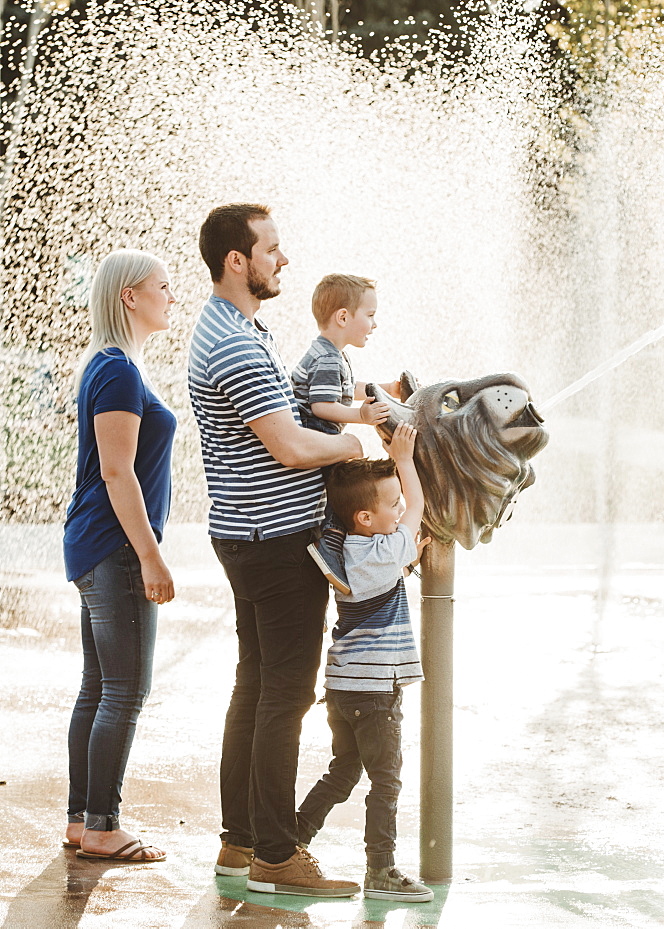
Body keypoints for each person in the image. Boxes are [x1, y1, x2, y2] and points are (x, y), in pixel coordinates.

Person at [188, 203, 363, 897]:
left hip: (248, 535)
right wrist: (355, 445)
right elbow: (289, 445)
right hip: (276, 544)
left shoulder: (235, 327)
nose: (284, 258)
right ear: (239, 259)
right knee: (283, 696)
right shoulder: (233, 341)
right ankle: (277, 853)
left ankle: (240, 840)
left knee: (256, 685)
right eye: (273, 248)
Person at [63, 249, 177, 862]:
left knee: (99, 687)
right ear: (130, 296)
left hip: (97, 545)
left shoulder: (114, 366)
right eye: (162, 287)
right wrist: (152, 557)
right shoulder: (118, 371)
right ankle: (104, 826)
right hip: (115, 547)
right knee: (125, 689)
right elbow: (116, 471)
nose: (171, 296)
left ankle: (84, 822)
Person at [297, 421, 433, 903]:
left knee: (344, 770)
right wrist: (403, 461)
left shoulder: (354, 548)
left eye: (396, 501)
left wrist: (401, 559)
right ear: (364, 518)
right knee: (387, 779)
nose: (400, 510)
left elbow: (396, 537)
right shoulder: (384, 548)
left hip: (344, 685)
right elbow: (416, 508)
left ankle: (293, 838)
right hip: (376, 689)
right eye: (388, 506)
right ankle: (382, 870)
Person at [289, 273, 400, 438]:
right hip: (312, 434)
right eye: (370, 315)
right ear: (343, 318)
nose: (375, 324)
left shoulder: (332, 354)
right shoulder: (327, 359)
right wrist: (361, 416)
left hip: (317, 434)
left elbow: (349, 389)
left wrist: (388, 389)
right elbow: (322, 406)